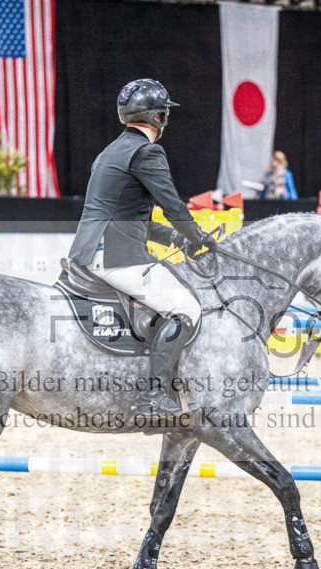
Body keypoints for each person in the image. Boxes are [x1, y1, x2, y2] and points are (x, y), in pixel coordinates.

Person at [67, 78, 218, 420]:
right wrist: (198, 237)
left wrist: (179, 240)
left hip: (89, 250)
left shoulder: (109, 152)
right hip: (116, 256)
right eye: (165, 114)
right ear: (159, 117)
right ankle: (154, 398)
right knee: (185, 308)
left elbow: (137, 219)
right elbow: (173, 206)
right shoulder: (147, 152)